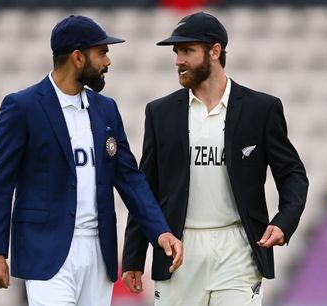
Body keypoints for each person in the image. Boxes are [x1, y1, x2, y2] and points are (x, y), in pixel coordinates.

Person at [0, 15, 183, 306]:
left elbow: (129, 178)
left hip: (99, 253)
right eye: (101, 53)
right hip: (47, 250)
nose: (108, 61)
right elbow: (0, 181)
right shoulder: (22, 107)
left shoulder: (106, 109)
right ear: (77, 57)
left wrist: (160, 231)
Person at [122, 11, 308, 306]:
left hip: (238, 248)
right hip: (178, 251)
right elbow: (147, 188)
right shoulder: (160, 112)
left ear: (215, 51)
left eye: (187, 51)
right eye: (176, 52)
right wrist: (133, 255)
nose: (178, 60)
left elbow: (293, 174)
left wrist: (285, 221)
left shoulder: (262, 109)